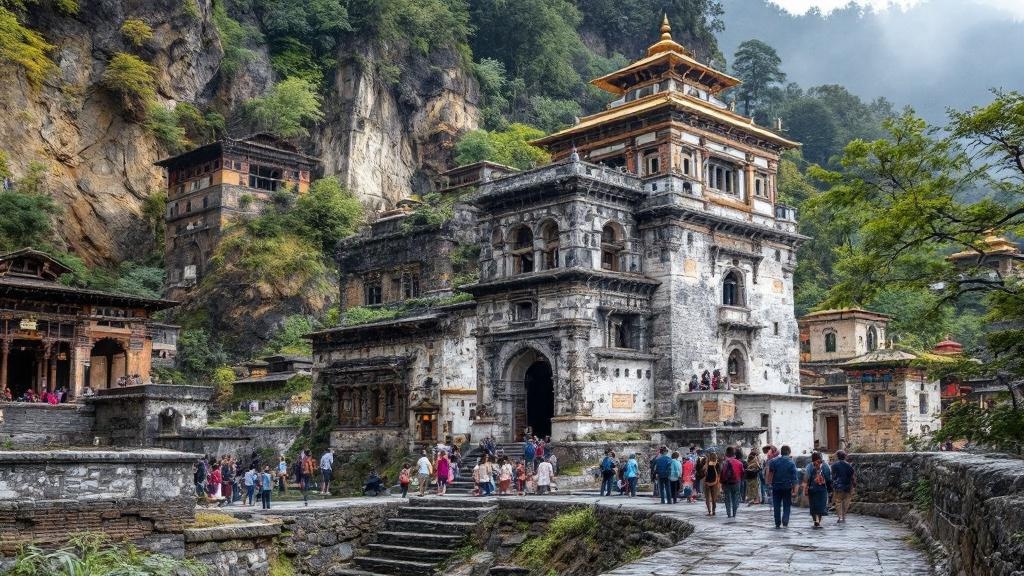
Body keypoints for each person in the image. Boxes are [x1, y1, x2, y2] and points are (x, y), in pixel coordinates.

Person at [767, 444, 799, 529]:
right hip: (787, 487)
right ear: (788, 452)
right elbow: (794, 478)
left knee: (776, 505)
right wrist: (795, 490)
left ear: (781, 452)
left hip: (776, 486)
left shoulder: (774, 461)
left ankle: (777, 522)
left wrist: (769, 484)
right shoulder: (791, 463)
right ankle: (785, 521)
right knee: (786, 505)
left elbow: (770, 474)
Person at [805, 451, 833, 529]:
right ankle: (818, 521)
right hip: (822, 489)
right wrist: (830, 489)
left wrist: (806, 487)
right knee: (821, 505)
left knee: (813, 505)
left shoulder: (809, 466)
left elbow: (807, 478)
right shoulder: (826, 466)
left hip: (812, 489)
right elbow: (828, 479)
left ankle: (815, 520)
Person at [831, 450, 856, 523]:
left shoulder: (834, 465)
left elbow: (832, 476)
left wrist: (832, 484)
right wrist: (854, 484)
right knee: (846, 501)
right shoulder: (849, 465)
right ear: (845, 457)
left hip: (838, 486)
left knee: (838, 501)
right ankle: (844, 516)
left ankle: (840, 517)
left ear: (837, 456)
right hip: (847, 486)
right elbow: (852, 476)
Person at [720, 447, 743, 518]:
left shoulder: (725, 463)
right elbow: (742, 473)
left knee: (727, 498)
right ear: (734, 454)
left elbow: (722, 474)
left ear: (727, 453)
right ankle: (734, 513)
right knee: (735, 498)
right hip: (736, 482)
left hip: (726, 483)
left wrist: (722, 483)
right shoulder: (739, 463)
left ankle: (729, 514)